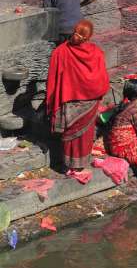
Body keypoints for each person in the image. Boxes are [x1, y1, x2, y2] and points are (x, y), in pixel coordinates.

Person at [45, 19, 109, 174]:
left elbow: (53, 81)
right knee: (85, 135)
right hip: (90, 102)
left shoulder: (60, 52)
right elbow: (102, 81)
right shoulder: (96, 52)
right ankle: (80, 166)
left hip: (69, 102)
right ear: (89, 37)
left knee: (70, 134)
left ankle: (68, 166)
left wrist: (52, 102)